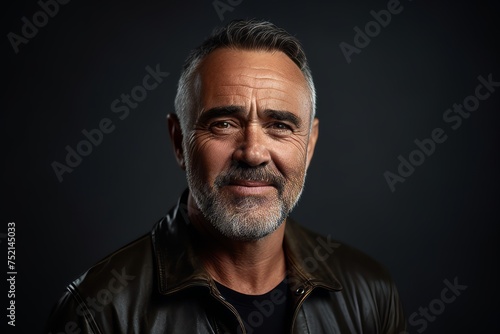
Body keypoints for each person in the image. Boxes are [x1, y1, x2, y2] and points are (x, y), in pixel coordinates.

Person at [45, 19, 406, 334]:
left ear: (309, 145)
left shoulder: (369, 293)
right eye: (223, 124)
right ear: (178, 142)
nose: (252, 152)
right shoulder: (97, 311)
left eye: (279, 126)